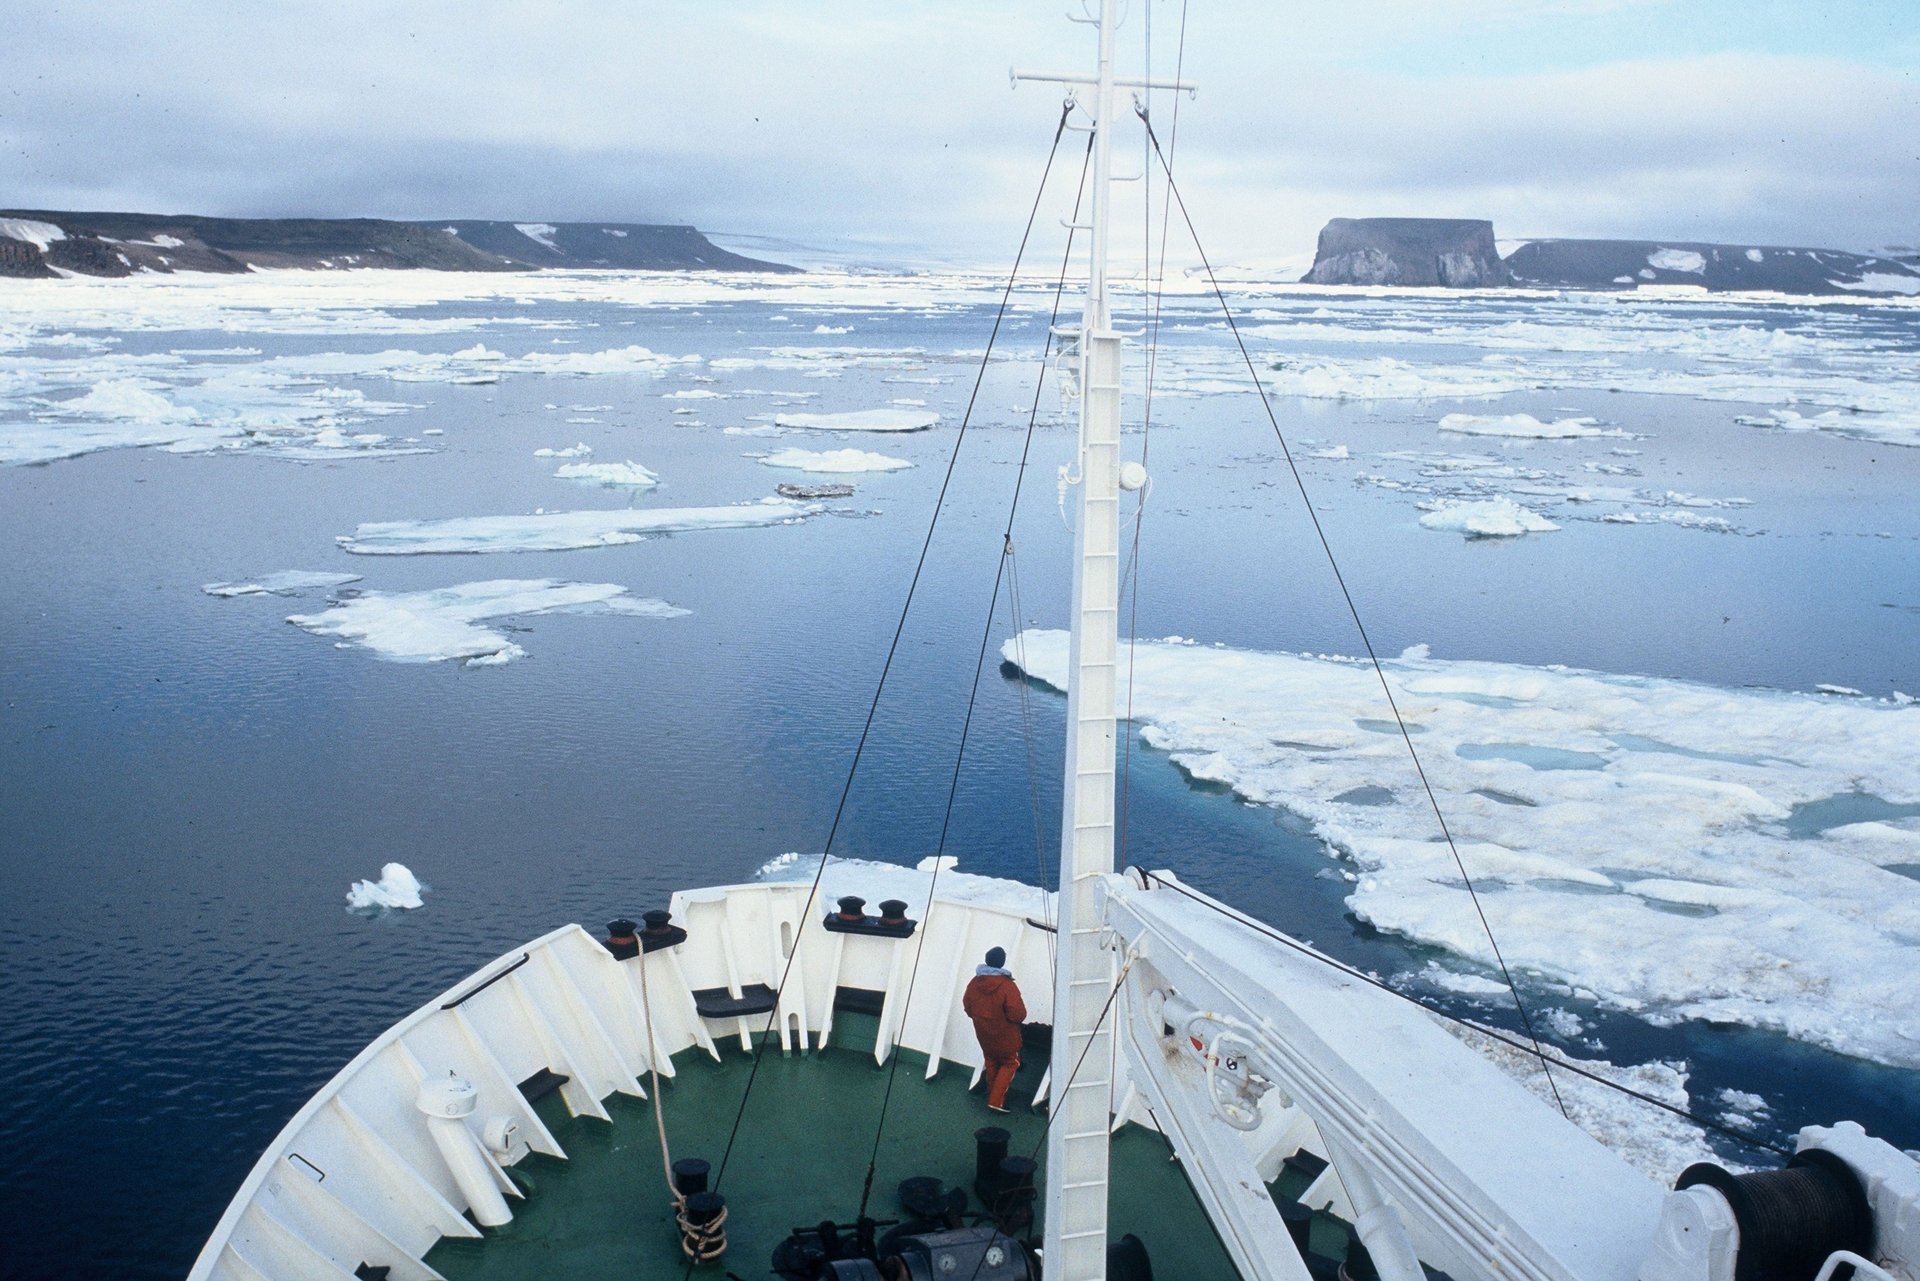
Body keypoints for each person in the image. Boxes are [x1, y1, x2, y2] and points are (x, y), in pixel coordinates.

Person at [962, 946, 1026, 1113]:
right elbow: (1019, 1014)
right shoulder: (1007, 986)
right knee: (1011, 1063)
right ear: (1002, 962)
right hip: (1005, 1036)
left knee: (991, 1061)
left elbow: (968, 1006)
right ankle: (996, 1101)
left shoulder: (975, 982)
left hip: (984, 1035)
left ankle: (992, 1093)